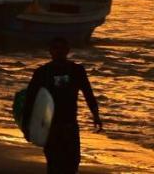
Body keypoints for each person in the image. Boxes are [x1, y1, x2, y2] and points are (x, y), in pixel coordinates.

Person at [22, 36, 102, 174]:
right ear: (50, 51)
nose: (59, 51)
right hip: (50, 127)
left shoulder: (77, 70)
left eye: (62, 48)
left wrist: (96, 116)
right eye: (55, 48)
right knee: (54, 164)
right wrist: (27, 126)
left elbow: (88, 94)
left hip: (70, 125)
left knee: (73, 163)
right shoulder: (42, 73)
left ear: (68, 50)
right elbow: (30, 100)